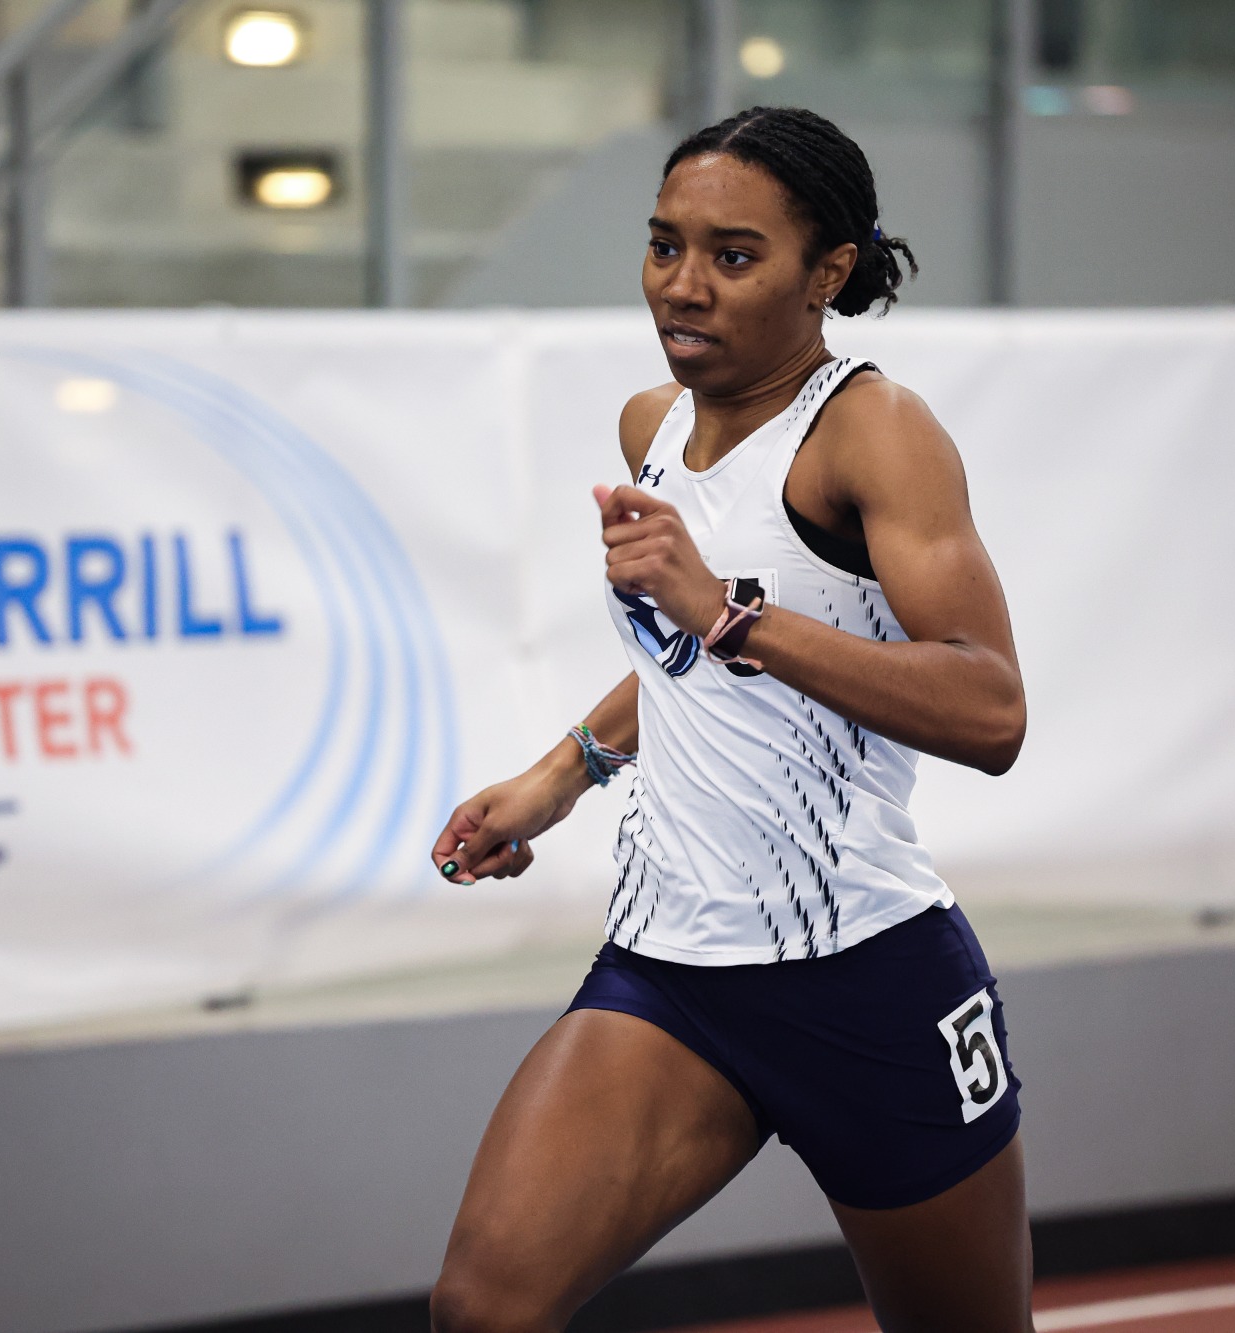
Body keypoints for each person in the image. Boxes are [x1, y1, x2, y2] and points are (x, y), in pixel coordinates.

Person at [428, 106, 1033, 1333]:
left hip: (866, 978)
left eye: (733, 256)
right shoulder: (649, 428)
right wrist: (561, 775)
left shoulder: (872, 431)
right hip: (673, 974)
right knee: (482, 1311)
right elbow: (681, 671)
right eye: (663, 245)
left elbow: (988, 705)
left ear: (829, 273)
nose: (682, 287)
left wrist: (723, 608)